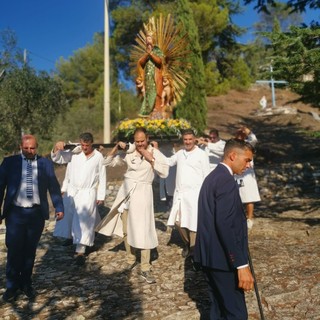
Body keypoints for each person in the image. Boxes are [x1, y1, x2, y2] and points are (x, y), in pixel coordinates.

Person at [96, 127, 169, 284]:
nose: (140, 144)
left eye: (142, 141)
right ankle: (130, 258)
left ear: (147, 138)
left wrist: (151, 158)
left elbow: (164, 172)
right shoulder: (130, 152)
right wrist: (117, 147)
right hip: (127, 193)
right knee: (126, 228)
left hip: (143, 193)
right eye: (137, 141)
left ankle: (145, 267)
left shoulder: (154, 152)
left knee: (144, 230)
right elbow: (106, 162)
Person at [194, 138, 255, 320]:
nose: (248, 165)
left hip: (210, 258)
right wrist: (241, 264)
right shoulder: (225, 181)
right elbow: (225, 225)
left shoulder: (212, 178)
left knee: (217, 311)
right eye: (247, 160)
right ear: (233, 155)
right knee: (235, 313)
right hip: (224, 261)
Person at [0, 135, 64, 302]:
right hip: (15, 214)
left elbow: (53, 187)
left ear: (37, 147)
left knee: (30, 251)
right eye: (26, 148)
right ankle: (11, 286)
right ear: (21, 146)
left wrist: (59, 207)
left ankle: (26, 283)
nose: (29, 151)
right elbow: (0, 188)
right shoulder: (9, 162)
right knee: (14, 250)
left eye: (32, 148)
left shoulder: (45, 164)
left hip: (36, 214)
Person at [51, 132, 106, 265]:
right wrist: (56, 148)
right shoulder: (74, 153)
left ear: (91, 143)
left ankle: (80, 250)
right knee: (70, 217)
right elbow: (58, 159)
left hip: (88, 191)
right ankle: (71, 238)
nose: (84, 148)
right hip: (72, 190)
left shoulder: (98, 157)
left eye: (87, 145)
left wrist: (101, 195)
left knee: (84, 220)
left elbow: (102, 176)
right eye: (82, 145)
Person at [167, 129, 210, 259]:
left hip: (195, 194)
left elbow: (207, 176)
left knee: (193, 223)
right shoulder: (180, 153)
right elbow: (168, 162)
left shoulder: (202, 154)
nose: (188, 142)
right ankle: (187, 243)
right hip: (180, 194)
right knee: (178, 221)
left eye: (190, 139)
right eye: (185, 140)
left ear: (194, 139)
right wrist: (154, 152)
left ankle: (193, 249)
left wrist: (205, 195)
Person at [234, 126, 261, 229]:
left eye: (242, 133)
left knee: (249, 197)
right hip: (236, 172)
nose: (240, 135)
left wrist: (248, 131)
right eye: (238, 133)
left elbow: (254, 139)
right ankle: (238, 217)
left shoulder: (248, 144)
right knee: (237, 195)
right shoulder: (233, 144)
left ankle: (249, 218)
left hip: (247, 173)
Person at [137, 30, 164, 118]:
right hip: (147, 79)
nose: (148, 40)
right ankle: (148, 113)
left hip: (155, 78)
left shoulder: (157, 50)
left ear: (153, 40)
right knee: (148, 95)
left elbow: (160, 61)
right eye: (147, 38)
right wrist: (147, 55)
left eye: (149, 38)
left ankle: (156, 112)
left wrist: (151, 54)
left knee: (156, 95)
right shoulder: (146, 53)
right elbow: (140, 62)